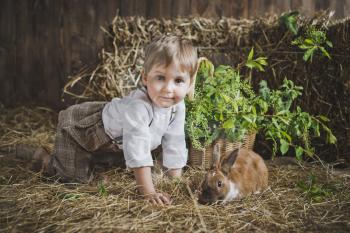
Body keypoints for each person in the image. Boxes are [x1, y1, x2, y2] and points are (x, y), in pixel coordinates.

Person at [15, 35, 198, 205]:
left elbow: (175, 142)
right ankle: (43, 157)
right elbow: (138, 151)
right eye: (160, 78)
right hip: (84, 132)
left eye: (178, 81)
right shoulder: (138, 107)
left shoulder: (177, 107)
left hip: (114, 143)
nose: (168, 88)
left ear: (189, 84)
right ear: (145, 77)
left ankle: (93, 162)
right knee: (71, 179)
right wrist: (149, 193)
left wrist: (175, 182)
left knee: (107, 171)